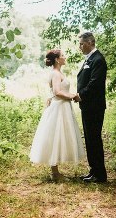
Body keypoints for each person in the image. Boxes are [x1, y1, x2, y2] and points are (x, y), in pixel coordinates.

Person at [29, 49, 86, 181]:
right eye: (62, 56)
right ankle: (55, 173)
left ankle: (55, 171)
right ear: (57, 59)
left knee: (60, 136)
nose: (65, 57)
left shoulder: (58, 72)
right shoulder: (55, 73)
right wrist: (72, 96)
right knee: (55, 136)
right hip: (59, 107)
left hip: (62, 106)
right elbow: (57, 92)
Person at [75, 31, 108, 183]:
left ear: (90, 43)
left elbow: (94, 84)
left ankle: (100, 175)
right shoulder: (89, 59)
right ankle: (93, 170)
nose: (80, 47)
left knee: (94, 138)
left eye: (82, 43)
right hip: (87, 106)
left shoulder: (98, 59)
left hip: (94, 106)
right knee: (89, 138)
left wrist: (81, 95)